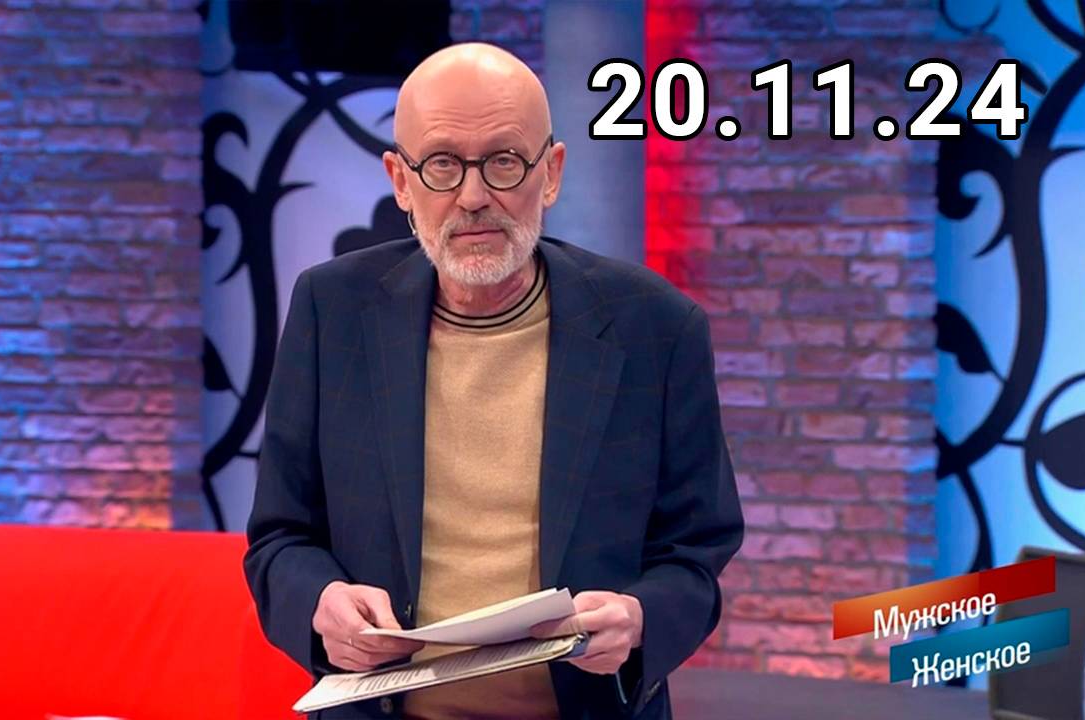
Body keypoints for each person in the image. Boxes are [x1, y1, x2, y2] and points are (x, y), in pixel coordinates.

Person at [244, 42, 743, 720]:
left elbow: (697, 550)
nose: (474, 197)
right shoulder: (330, 311)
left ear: (551, 173)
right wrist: (319, 602)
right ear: (400, 180)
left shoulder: (656, 327)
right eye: (442, 165)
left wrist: (640, 617)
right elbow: (279, 539)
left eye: (504, 161)